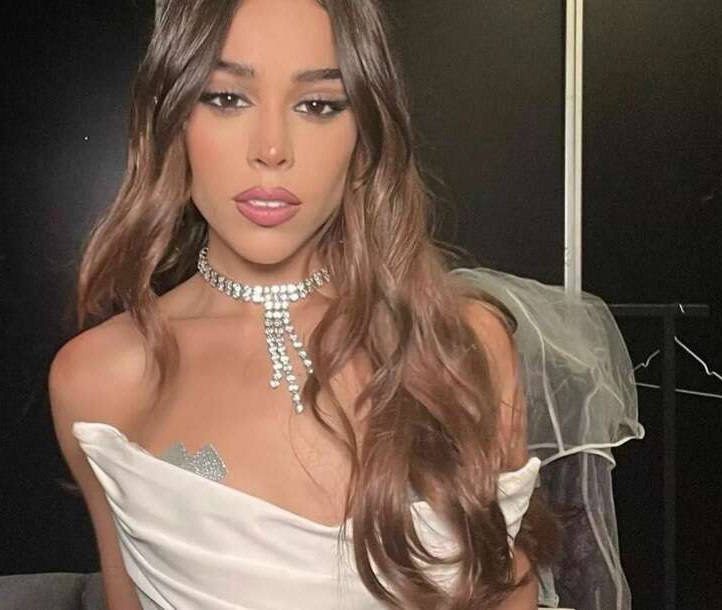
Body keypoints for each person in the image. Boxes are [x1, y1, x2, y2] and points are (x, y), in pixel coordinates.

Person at [49, 0, 641, 608]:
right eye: (226, 98)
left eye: (318, 105)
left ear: (365, 132)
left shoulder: (463, 348)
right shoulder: (98, 380)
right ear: (171, 117)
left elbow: (507, 589)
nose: (271, 149)